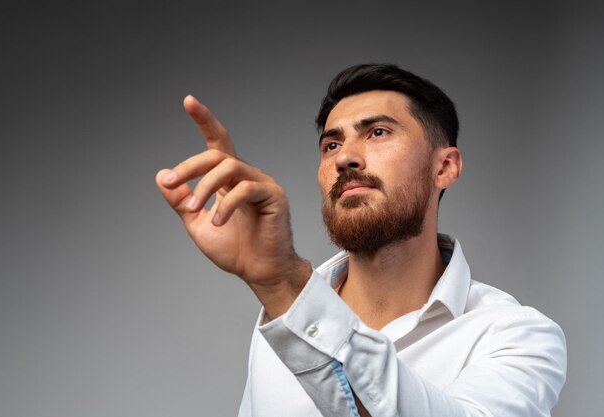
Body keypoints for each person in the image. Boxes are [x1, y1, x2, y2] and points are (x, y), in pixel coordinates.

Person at [155, 63, 567, 417]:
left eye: (378, 133)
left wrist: (284, 287)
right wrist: (283, 293)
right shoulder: (279, 318)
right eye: (331, 144)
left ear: (445, 167)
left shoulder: (516, 335)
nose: (344, 158)